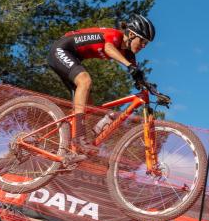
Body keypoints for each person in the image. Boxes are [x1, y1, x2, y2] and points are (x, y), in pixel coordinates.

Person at [47, 14, 155, 157]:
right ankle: (78, 137)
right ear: (130, 34)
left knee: (89, 107)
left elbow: (137, 75)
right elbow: (109, 48)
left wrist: (149, 88)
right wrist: (129, 66)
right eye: (142, 41)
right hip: (61, 50)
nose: (143, 46)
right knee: (85, 80)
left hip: (74, 57)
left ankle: (63, 144)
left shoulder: (129, 54)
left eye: (146, 44)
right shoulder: (114, 35)